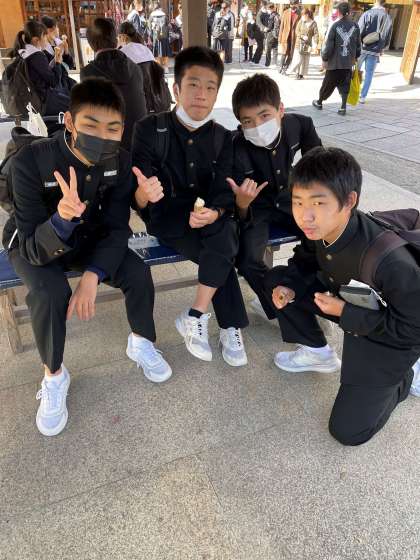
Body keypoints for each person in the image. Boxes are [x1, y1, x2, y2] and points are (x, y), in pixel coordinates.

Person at [2, 78, 172, 437]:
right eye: (91, 125)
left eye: (113, 128)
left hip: (90, 236)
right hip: (36, 242)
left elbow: (116, 227)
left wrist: (93, 275)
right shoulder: (30, 162)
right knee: (50, 293)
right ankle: (54, 374)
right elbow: (31, 246)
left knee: (136, 272)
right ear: (69, 121)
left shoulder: (120, 161)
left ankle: (142, 341)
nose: (103, 137)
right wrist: (61, 220)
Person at [264, 147, 420, 446]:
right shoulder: (320, 229)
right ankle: (317, 351)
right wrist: (291, 286)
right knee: (276, 279)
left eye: (318, 203)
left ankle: (406, 376)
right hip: (350, 303)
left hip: (394, 334)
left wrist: (345, 313)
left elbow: (412, 330)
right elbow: (304, 261)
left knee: (348, 431)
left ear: (349, 201)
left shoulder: (392, 263)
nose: (305, 216)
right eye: (298, 202)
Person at [132, 46, 249, 367]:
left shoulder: (224, 137)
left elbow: (224, 189)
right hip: (168, 219)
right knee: (224, 247)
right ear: (176, 89)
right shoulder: (149, 129)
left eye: (210, 87)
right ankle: (230, 326)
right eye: (193, 85)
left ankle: (195, 314)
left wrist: (215, 212)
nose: (201, 94)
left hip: (209, 219)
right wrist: (142, 194)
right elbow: (137, 195)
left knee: (223, 230)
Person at [230, 73, 321, 322]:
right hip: (257, 208)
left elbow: (320, 166)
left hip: (290, 200)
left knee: (321, 235)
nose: (257, 126)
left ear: (280, 110)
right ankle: (277, 307)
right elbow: (235, 205)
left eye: (264, 116)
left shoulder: (299, 125)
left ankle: (303, 292)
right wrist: (242, 204)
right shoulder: (235, 146)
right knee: (247, 260)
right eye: (247, 121)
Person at [81, 17, 147, 151]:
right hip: (140, 141)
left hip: (110, 149)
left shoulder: (88, 73)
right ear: (116, 40)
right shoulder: (135, 68)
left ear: (91, 44)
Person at [8, 20, 70, 117]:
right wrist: (58, 63)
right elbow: (54, 81)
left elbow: (41, 73)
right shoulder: (37, 55)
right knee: (75, 103)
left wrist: (54, 61)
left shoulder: (23, 52)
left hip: (27, 101)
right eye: (44, 36)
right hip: (41, 102)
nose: (46, 39)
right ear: (36, 40)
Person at [312, 2, 361, 116]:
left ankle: (319, 102)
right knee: (345, 85)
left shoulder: (335, 26)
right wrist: (356, 57)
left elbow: (329, 46)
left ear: (338, 12)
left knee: (327, 84)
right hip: (348, 63)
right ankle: (343, 107)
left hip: (335, 63)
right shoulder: (355, 26)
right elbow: (358, 45)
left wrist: (325, 58)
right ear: (349, 12)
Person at [118, 21, 171, 114]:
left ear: (123, 37)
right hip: (156, 102)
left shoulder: (122, 52)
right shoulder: (145, 49)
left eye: (118, 37)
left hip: (137, 104)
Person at [357, 0, 393, 104]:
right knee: (369, 74)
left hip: (363, 47)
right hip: (375, 50)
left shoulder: (367, 13)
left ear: (375, 1)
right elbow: (388, 34)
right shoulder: (387, 17)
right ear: (384, 3)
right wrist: (382, 48)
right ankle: (363, 97)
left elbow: (359, 30)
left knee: (355, 70)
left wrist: (357, 45)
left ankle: (352, 91)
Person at [292, 9, 319, 79]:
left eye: (303, 15)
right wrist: (302, 36)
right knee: (299, 59)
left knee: (305, 60)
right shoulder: (301, 21)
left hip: (308, 44)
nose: (302, 16)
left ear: (307, 15)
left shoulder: (313, 23)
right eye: (302, 15)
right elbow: (296, 31)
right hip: (299, 43)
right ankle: (296, 72)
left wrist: (316, 43)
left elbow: (316, 34)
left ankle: (301, 74)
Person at [278, 0, 301, 74]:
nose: (292, 6)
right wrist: (280, 37)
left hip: (294, 37)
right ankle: (281, 66)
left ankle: (285, 67)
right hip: (285, 36)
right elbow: (281, 26)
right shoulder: (285, 12)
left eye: (294, 4)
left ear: (297, 4)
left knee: (291, 54)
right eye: (291, 4)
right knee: (284, 53)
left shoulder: (299, 13)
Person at [149, 2, 170, 73]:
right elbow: (168, 26)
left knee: (156, 52)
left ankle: (158, 67)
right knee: (165, 51)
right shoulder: (164, 15)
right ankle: (166, 67)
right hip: (164, 36)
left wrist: (151, 37)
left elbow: (149, 28)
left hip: (155, 37)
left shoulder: (151, 16)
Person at [252, 0, 269, 65]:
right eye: (265, 5)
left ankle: (254, 60)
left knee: (261, 47)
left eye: (266, 5)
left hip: (264, 33)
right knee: (260, 47)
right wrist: (264, 27)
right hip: (258, 32)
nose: (266, 6)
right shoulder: (260, 13)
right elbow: (258, 22)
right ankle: (256, 61)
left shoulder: (267, 13)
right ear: (263, 5)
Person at [264, 4, 280, 68]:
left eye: (268, 9)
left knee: (268, 49)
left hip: (271, 33)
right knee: (275, 48)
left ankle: (267, 63)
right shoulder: (278, 15)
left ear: (271, 9)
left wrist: (266, 29)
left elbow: (270, 26)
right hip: (276, 34)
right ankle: (274, 63)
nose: (268, 10)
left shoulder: (272, 15)